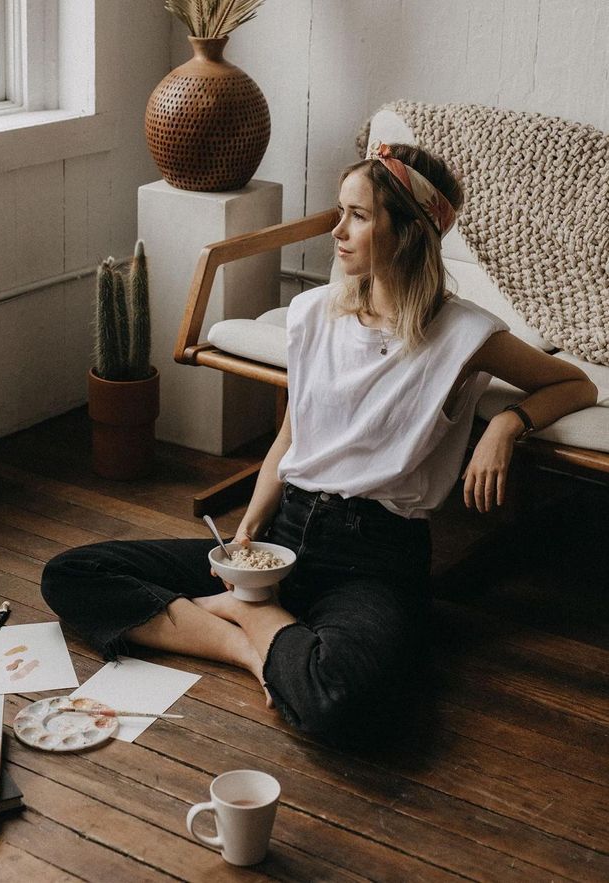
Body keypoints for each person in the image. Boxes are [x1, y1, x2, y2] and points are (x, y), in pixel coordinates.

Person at [42, 142, 597, 739]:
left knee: (340, 700)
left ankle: (253, 623)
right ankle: (251, 640)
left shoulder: (466, 334)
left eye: (358, 215)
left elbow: (573, 383)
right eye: (340, 211)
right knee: (73, 573)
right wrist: (247, 535)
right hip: (285, 535)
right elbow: (291, 435)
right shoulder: (312, 312)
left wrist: (509, 426)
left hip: (375, 561)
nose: (337, 230)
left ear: (408, 231)